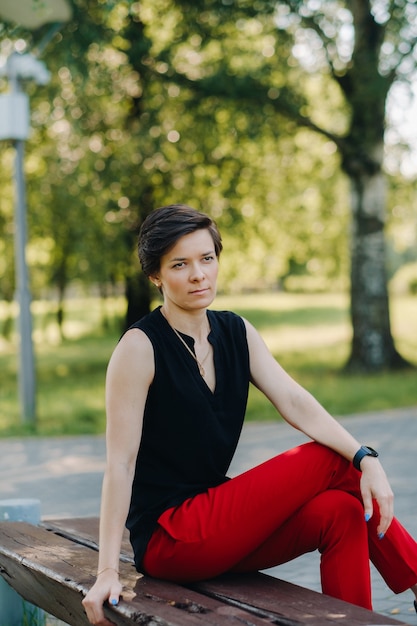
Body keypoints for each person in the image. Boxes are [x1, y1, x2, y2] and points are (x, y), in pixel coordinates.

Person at [83, 204, 417, 626]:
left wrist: (365, 459)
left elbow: (294, 401)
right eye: (180, 264)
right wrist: (107, 572)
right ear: (156, 276)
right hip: (171, 535)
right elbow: (120, 463)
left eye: (207, 259)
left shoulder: (235, 331)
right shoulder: (140, 347)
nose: (199, 274)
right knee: (331, 458)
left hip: (220, 524)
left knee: (342, 511)